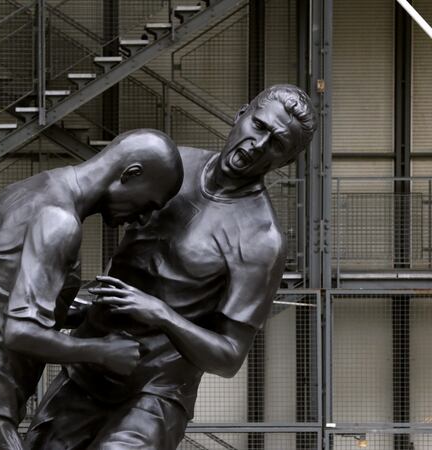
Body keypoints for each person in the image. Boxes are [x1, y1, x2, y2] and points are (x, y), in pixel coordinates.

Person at [25, 84, 318, 450]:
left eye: (276, 144)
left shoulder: (261, 239)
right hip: (89, 361)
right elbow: (82, 200)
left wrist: (161, 314)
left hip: (156, 391)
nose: (258, 145)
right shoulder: (170, 163)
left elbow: (228, 356)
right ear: (241, 113)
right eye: (259, 126)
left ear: (285, 161)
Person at [0, 129, 184, 450]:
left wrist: (83, 311)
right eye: (148, 203)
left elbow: (0, 289)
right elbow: (20, 333)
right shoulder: (59, 222)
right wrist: (103, 351)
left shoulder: (29, 190)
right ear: (131, 174)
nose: (144, 218)